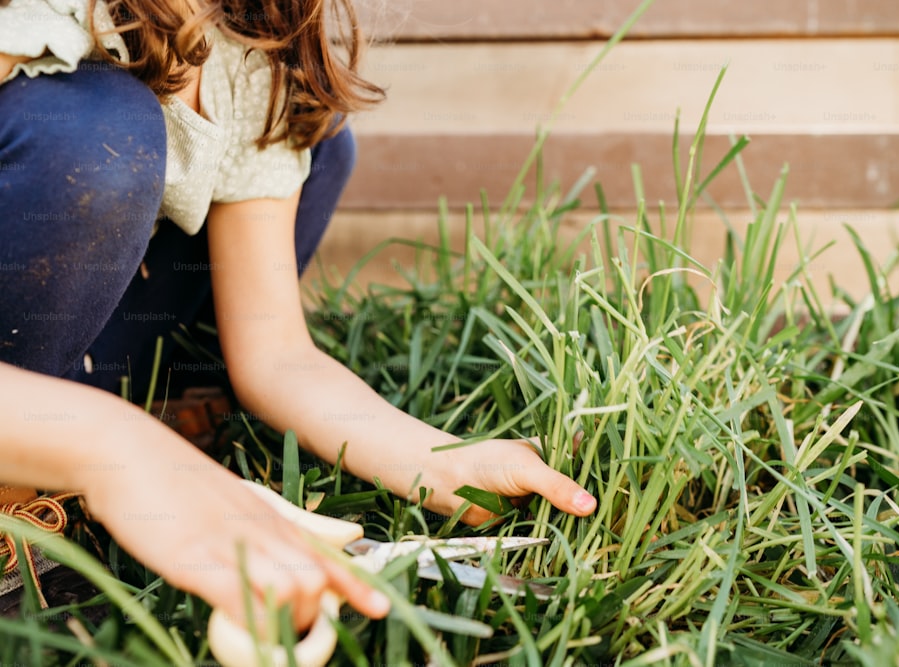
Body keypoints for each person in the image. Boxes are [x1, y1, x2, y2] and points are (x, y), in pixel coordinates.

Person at [0, 0, 597, 633]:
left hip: (78, 356)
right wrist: (114, 448)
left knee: (315, 128)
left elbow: (277, 355)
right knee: (96, 131)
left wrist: (444, 463)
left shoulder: (249, 43)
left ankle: (161, 419)